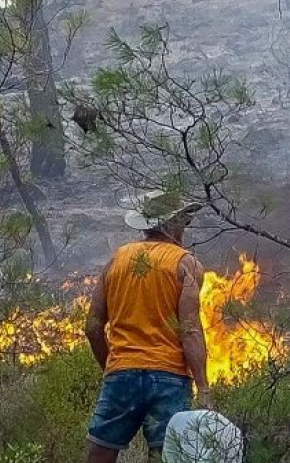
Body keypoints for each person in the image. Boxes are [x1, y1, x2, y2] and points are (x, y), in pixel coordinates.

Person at [82, 191, 213, 463]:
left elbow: (93, 326)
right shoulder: (185, 264)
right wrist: (204, 389)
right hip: (169, 377)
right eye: (185, 220)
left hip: (122, 374)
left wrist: (113, 367)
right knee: (167, 455)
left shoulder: (116, 261)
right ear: (172, 223)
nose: (186, 226)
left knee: (100, 453)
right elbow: (189, 330)